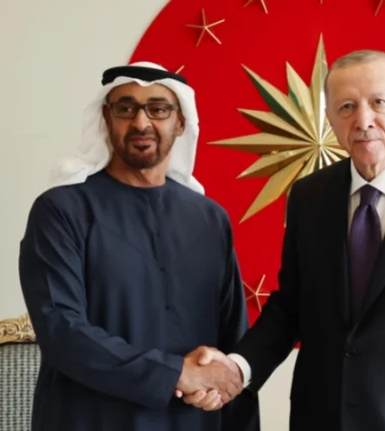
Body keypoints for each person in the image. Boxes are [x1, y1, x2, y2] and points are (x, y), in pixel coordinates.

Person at [182, 50, 385, 430]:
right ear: (331, 119)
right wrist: (237, 368)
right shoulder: (309, 196)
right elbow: (291, 308)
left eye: (378, 103)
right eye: (347, 107)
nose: (363, 120)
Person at [18, 61, 260, 431]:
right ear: (106, 117)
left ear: (181, 123)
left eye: (158, 109)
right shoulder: (60, 210)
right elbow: (61, 329)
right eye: (126, 108)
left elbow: (232, 337)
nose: (141, 123)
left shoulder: (210, 218)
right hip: (90, 420)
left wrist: (223, 386)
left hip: (192, 421)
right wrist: (176, 373)